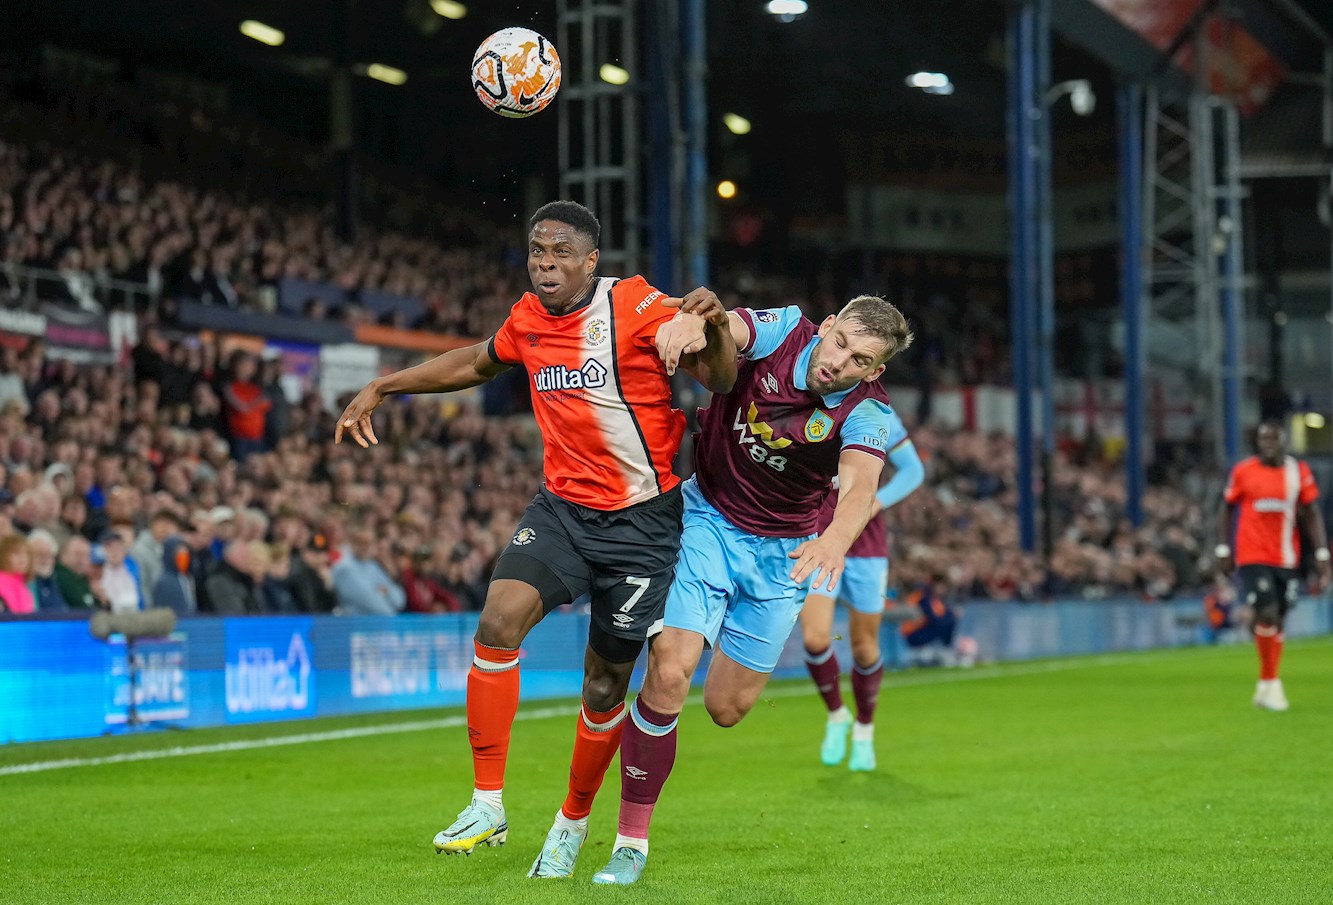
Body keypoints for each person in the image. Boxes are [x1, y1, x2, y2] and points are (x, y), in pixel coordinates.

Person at [333, 200, 735, 873]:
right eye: (535, 253)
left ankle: (573, 819)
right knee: (497, 621)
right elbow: (476, 361)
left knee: (605, 684)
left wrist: (713, 323)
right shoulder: (527, 317)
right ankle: (486, 803)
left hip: (641, 524)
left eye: (557, 254)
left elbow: (719, 378)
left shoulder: (636, 306)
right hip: (561, 511)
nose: (544, 266)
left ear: (589, 260)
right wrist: (385, 384)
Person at [592, 294, 913, 885]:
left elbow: (862, 487)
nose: (840, 362)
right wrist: (694, 323)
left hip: (784, 554)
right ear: (831, 325)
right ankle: (630, 842)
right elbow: (732, 332)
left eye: (859, 360)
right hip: (706, 519)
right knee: (669, 670)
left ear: (875, 372)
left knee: (726, 709)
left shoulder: (869, 413)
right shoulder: (788, 329)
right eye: (840, 343)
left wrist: (835, 541)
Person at [799, 406, 924, 772]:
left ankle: (865, 729)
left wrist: (874, 503)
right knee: (815, 639)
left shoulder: (879, 414)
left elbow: (914, 470)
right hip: (820, 536)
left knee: (865, 648)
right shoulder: (810, 403)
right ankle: (838, 715)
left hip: (867, 547)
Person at [1216, 420, 1332, 712]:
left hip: (1286, 557)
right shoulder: (1243, 471)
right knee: (1265, 611)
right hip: (1252, 555)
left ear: (1284, 441)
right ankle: (1273, 684)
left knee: (1278, 617)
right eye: (1262, 439)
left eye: (1272, 439)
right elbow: (1227, 507)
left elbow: (1311, 512)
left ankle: (1265, 685)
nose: (1266, 444)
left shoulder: (1298, 473)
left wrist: (1321, 554)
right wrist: (1223, 548)